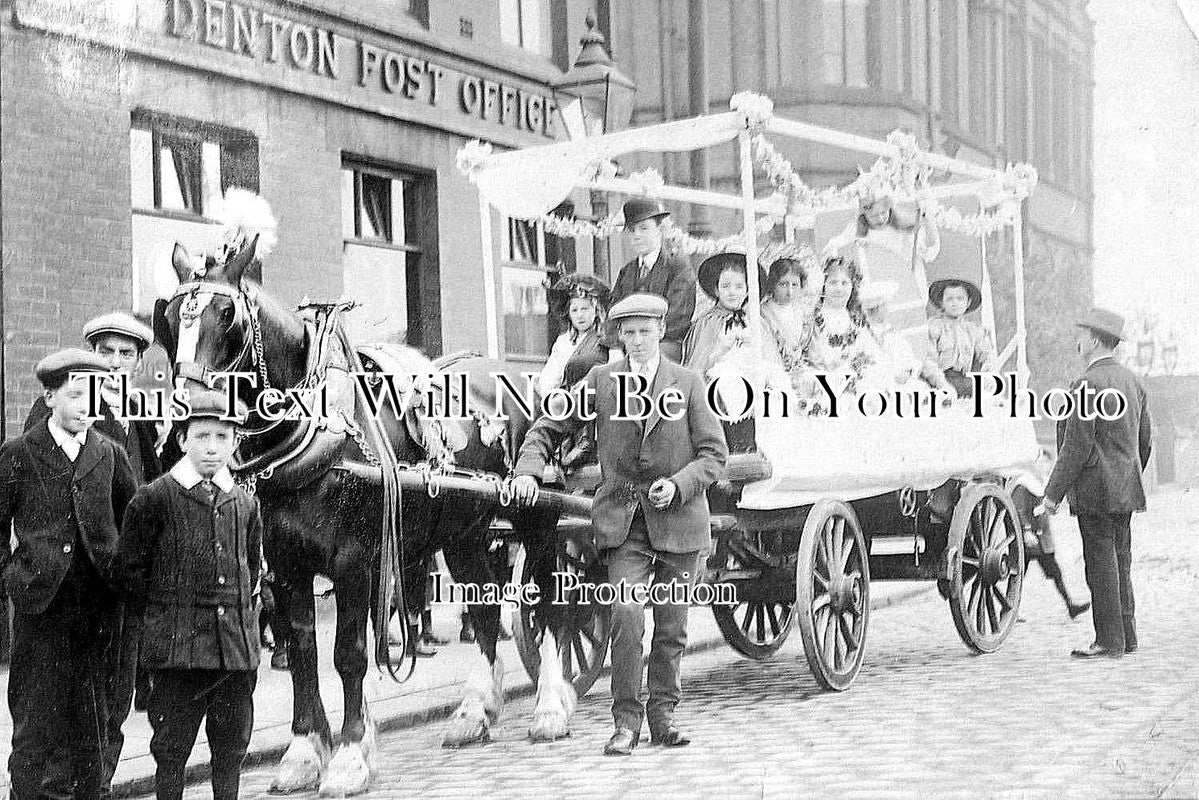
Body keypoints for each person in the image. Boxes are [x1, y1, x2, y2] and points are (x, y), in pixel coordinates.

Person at [511, 293, 727, 755]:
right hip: (624, 524)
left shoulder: (688, 384)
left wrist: (681, 483)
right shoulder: (601, 381)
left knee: (671, 626)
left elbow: (714, 455)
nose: (637, 341)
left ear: (661, 331)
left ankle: (663, 716)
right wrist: (528, 467)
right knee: (627, 619)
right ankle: (625, 722)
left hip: (680, 524)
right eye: (628, 333)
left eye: (645, 332)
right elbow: (549, 425)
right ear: (619, 337)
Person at [26, 312, 166, 796]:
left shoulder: (144, 415)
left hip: (120, 583)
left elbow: (147, 492)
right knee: (63, 707)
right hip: (70, 588)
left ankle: (99, 785)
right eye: (104, 352)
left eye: (125, 355)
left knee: (114, 700)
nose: (113, 363)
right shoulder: (62, 409)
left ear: (137, 362)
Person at [1, 349, 138, 799]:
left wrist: (124, 577)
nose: (86, 406)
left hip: (100, 614)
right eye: (76, 395)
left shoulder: (111, 455)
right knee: (35, 723)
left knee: (95, 726)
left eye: (94, 396)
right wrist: (13, 578)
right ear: (50, 395)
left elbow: (135, 523)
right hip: (43, 610)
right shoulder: (20, 453)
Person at [119, 390, 262, 798]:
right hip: (177, 655)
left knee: (231, 748)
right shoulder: (155, 498)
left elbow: (249, 569)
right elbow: (131, 573)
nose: (212, 447)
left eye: (222, 436)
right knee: (172, 748)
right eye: (202, 436)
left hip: (234, 654)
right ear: (182, 441)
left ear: (235, 441)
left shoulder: (245, 504)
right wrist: (163, 624)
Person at [1040, 308, 1152, 659]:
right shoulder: (1133, 381)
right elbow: (1145, 441)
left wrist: (1051, 496)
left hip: (1095, 489)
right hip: (1125, 487)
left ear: (1093, 340)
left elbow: (1077, 446)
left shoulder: (1087, 385)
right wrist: (1127, 472)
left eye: (1082, 333)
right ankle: (1127, 636)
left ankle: (1108, 641)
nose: (1078, 339)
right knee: (1121, 560)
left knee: (1101, 563)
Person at [683, 251, 789, 451]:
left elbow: (770, 357)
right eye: (726, 286)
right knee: (729, 385)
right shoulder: (709, 321)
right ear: (716, 290)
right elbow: (698, 364)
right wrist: (722, 347)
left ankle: (761, 445)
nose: (733, 292)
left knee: (775, 386)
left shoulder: (755, 321)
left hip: (753, 372)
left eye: (739, 286)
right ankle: (735, 445)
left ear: (748, 289)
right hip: (718, 378)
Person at [824, 191, 940, 353]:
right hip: (880, 288)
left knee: (909, 336)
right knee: (884, 335)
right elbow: (834, 246)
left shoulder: (905, 229)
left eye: (883, 213)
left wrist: (928, 221)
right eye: (874, 216)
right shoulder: (858, 230)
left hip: (906, 284)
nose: (880, 219)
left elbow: (930, 252)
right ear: (864, 215)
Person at [606, 199, 696, 362]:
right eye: (632, 230)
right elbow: (613, 312)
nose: (637, 235)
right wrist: (614, 346)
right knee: (584, 363)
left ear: (659, 230)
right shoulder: (627, 271)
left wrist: (642, 340)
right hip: (628, 342)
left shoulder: (677, 267)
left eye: (644, 228)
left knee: (644, 361)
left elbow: (678, 316)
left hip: (665, 341)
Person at [800, 255, 883, 403]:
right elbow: (805, 358)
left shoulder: (856, 321)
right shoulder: (811, 319)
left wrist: (860, 371)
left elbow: (871, 354)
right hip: (821, 386)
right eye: (833, 282)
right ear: (823, 285)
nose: (839, 288)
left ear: (853, 287)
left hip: (855, 383)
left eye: (845, 283)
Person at [859, 281, 957, 399]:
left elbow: (909, 358)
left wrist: (909, 371)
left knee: (921, 389)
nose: (888, 309)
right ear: (878, 308)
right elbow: (867, 365)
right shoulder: (862, 334)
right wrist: (894, 375)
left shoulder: (891, 332)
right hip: (879, 383)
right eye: (885, 305)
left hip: (903, 381)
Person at [538, 273, 611, 393]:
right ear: (569, 314)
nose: (580, 315)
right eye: (574, 310)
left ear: (596, 310)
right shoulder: (563, 342)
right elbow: (548, 381)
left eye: (585, 309)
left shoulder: (606, 338)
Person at [927, 277, 996, 398]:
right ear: (941, 303)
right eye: (949, 299)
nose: (955, 303)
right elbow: (929, 362)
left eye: (960, 299)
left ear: (968, 302)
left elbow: (986, 358)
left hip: (965, 379)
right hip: (939, 380)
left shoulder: (974, 330)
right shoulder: (934, 328)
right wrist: (943, 385)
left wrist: (987, 376)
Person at [758, 242, 817, 382]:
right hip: (773, 375)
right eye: (783, 284)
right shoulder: (762, 314)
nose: (790, 291)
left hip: (802, 373)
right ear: (772, 284)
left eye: (795, 285)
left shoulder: (804, 313)